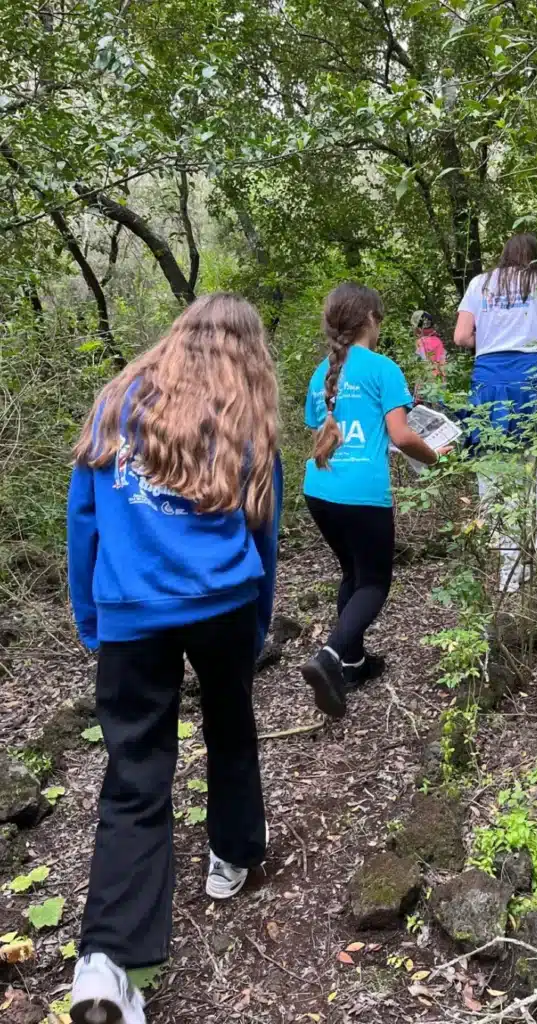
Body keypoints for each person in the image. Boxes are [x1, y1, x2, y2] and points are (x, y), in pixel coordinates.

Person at [67, 294, 283, 1024]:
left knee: (134, 774)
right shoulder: (244, 410)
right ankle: (233, 855)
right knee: (231, 730)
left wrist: (93, 616)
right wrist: (257, 621)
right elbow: (265, 528)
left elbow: (85, 517)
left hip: (133, 612)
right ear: (246, 348)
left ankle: (106, 963)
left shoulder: (115, 403)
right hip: (221, 602)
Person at [300, 283, 448, 720]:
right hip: (362, 493)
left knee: (353, 572)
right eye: (379, 320)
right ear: (370, 320)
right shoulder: (382, 368)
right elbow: (402, 436)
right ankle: (330, 655)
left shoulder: (321, 372)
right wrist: (436, 455)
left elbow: (320, 427)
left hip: (320, 489)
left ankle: (354, 662)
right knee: (375, 582)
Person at [453, 232, 537, 592]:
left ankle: (508, 562)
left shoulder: (479, 283)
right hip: (531, 379)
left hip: (488, 380)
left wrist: (490, 339)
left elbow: (460, 338)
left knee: (494, 463)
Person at [410, 309, 447, 396]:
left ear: (419, 329)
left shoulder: (420, 342)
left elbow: (421, 366)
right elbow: (443, 366)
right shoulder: (438, 341)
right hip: (439, 386)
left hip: (425, 387)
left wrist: (417, 392)